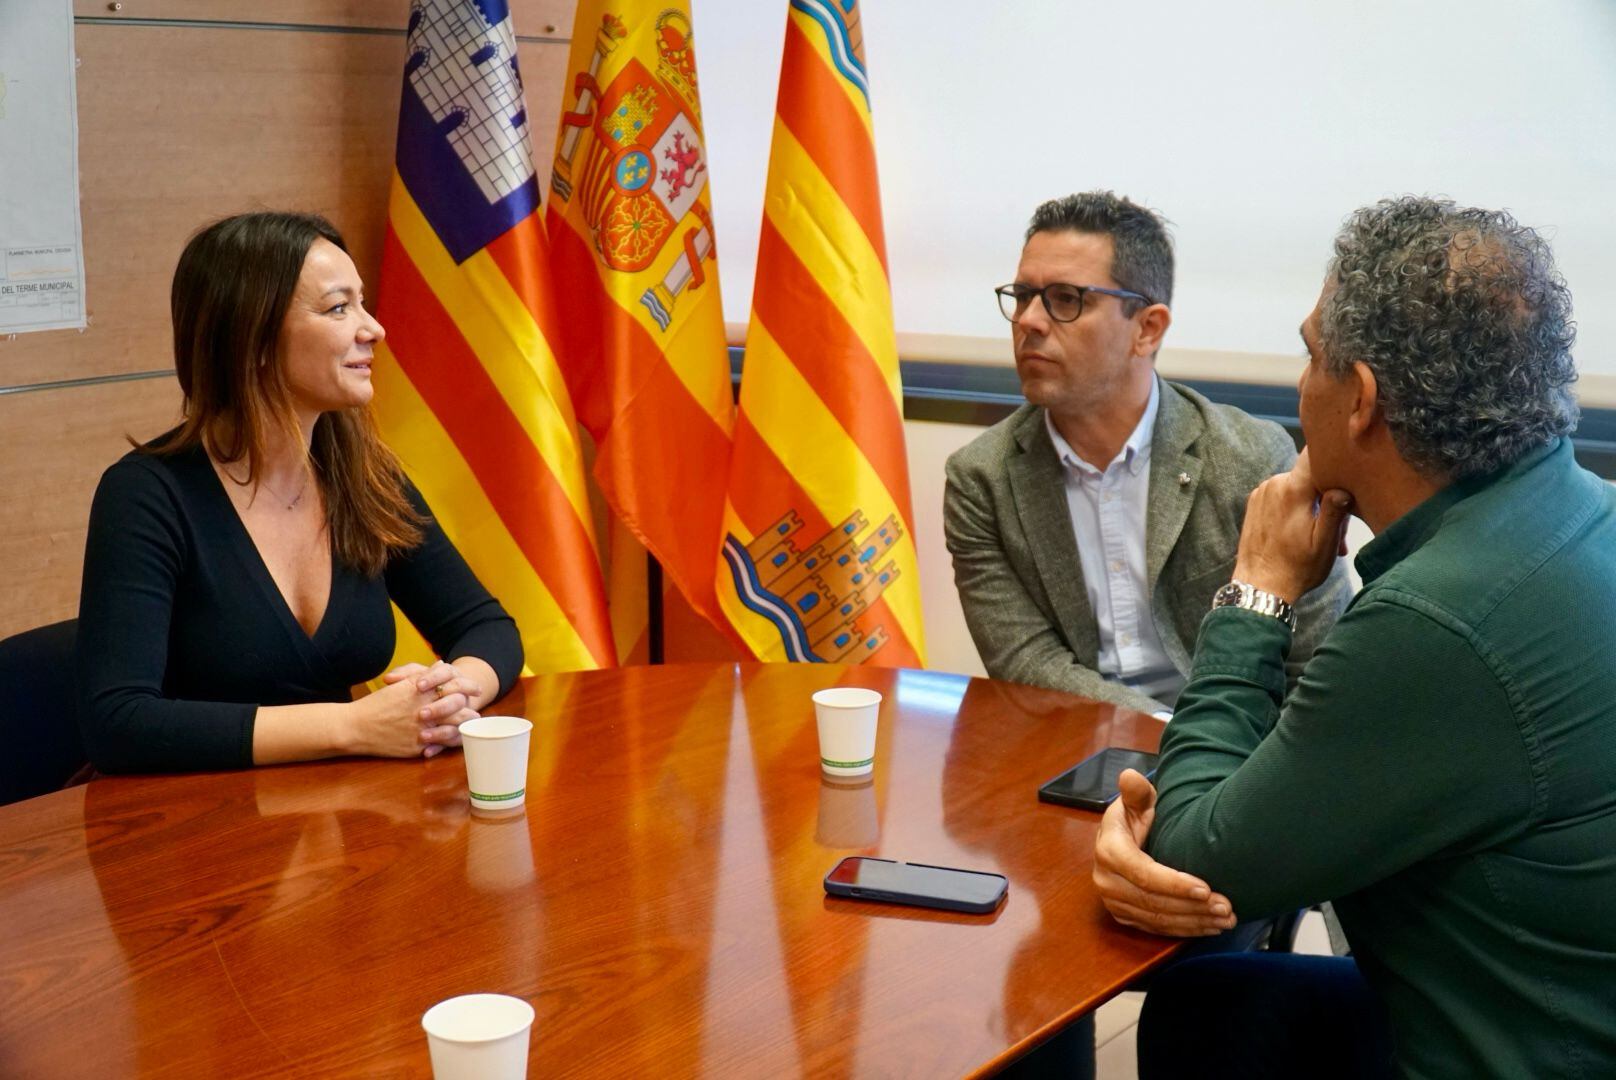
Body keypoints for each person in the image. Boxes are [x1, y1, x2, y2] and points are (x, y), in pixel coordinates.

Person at [1094, 196, 1616, 1077]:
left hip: (1529, 1049)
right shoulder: (1580, 510)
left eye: (1309, 354)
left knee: (1214, 1003)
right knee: (1217, 1009)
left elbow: (1192, 857)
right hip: (1557, 1003)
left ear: (1362, 399)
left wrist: (1256, 589)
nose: (1301, 382)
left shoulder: (1440, 620)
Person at [76, 211, 523, 773]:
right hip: (194, 831)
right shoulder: (145, 495)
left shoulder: (364, 474)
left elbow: (485, 628)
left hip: (340, 821)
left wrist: (454, 693)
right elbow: (118, 723)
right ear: (254, 339)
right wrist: (355, 726)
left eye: (362, 303)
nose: (374, 329)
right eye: (339, 308)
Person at [944, 191, 1349, 715]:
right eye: (1023, 296)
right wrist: (1162, 732)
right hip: (1074, 748)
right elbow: (1026, 664)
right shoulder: (981, 479)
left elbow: (1317, 661)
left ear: (1147, 328)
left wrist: (1206, 753)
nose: (1028, 321)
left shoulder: (1252, 457)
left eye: (1065, 299)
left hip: (1238, 754)